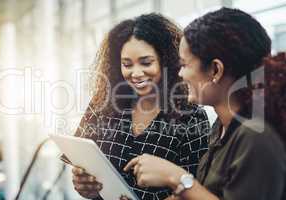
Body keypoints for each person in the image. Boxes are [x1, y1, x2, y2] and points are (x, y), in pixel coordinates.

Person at [124, 8, 286, 200]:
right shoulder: (221, 127)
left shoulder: (256, 137)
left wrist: (176, 178)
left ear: (215, 70)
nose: (180, 74)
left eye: (185, 65)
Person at [70, 13, 210, 200]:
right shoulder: (103, 103)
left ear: (167, 60)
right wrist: (83, 184)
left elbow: (196, 188)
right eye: (127, 64)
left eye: (146, 63)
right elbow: (81, 166)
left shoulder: (192, 116)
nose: (135, 74)